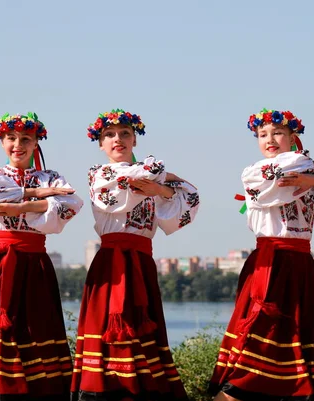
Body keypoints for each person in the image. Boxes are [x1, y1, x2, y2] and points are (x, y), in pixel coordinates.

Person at [209, 108, 314, 401]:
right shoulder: (256, 173)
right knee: (253, 352)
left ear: (293, 138)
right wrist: (313, 168)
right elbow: (280, 174)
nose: (269, 139)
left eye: (277, 133)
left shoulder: (311, 175)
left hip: (301, 267)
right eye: (262, 134)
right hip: (269, 267)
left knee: (300, 348)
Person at [0, 112, 84, 401]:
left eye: (26, 139)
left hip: (35, 268)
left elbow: (71, 202)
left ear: (37, 143)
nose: (18, 145)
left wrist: (20, 207)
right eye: (11, 138)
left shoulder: (53, 176)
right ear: (1, 142)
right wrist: (36, 194)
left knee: (34, 340)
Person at [71, 109, 200, 401]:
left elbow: (188, 197)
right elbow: (128, 184)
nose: (118, 140)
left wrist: (160, 188)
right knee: (107, 344)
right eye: (109, 135)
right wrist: (160, 184)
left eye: (125, 134)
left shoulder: (151, 177)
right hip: (111, 269)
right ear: (100, 144)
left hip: (141, 266)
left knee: (144, 346)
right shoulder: (100, 175)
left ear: (135, 140)